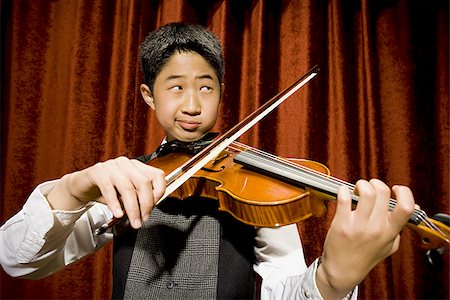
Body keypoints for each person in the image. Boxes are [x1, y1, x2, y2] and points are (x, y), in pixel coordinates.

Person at [0, 22, 415, 299]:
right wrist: (73, 187)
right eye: (176, 87)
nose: (193, 105)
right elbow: (15, 259)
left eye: (206, 87)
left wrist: (331, 280)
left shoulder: (255, 183)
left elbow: (283, 291)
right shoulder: (123, 183)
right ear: (149, 96)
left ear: (221, 91)